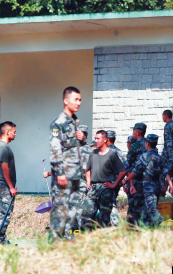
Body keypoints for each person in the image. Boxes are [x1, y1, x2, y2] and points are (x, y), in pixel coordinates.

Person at [49, 86, 85, 240]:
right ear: (66, 100)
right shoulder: (58, 123)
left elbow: (75, 147)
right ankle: (55, 242)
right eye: (76, 99)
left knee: (72, 209)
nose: (79, 103)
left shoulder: (75, 121)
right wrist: (60, 173)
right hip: (64, 174)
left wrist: (82, 139)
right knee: (60, 208)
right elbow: (55, 148)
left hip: (75, 174)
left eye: (80, 100)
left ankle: (66, 239)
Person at [127, 134, 173, 226]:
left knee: (152, 210)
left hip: (148, 188)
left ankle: (164, 225)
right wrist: (171, 187)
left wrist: (126, 180)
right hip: (157, 186)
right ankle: (147, 228)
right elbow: (166, 174)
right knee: (147, 209)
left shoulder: (145, 157)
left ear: (147, 143)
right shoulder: (161, 158)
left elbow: (135, 172)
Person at [82, 130, 126, 229]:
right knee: (86, 215)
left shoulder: (112, 154)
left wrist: (114, 185)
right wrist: (89, 182)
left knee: (104, 218)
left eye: (98, 138)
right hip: (93, 188)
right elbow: (87, 170)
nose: (96, 140)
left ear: (105, 140)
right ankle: (86, 238)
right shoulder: (93, 153)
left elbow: (122, 171)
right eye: (95, 138)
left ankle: (102, 238)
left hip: (105, 189)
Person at [124, 122, 147, 224]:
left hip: (136, 181)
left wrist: (131, 184)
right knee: (145, 206)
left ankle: (132, 227)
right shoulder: (150, 145)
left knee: (133, 206)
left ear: (137, 133)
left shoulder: (134, 146)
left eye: (133, 131)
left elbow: (128, 166)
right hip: (148, 182)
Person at [106, 130, 125, 225]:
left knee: (109, 203)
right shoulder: (120, 152)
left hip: (108, 182)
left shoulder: (106, 152)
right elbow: (124, 168)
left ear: (107, 139)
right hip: (117, 182)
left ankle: (115, 223)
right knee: (111, 201)